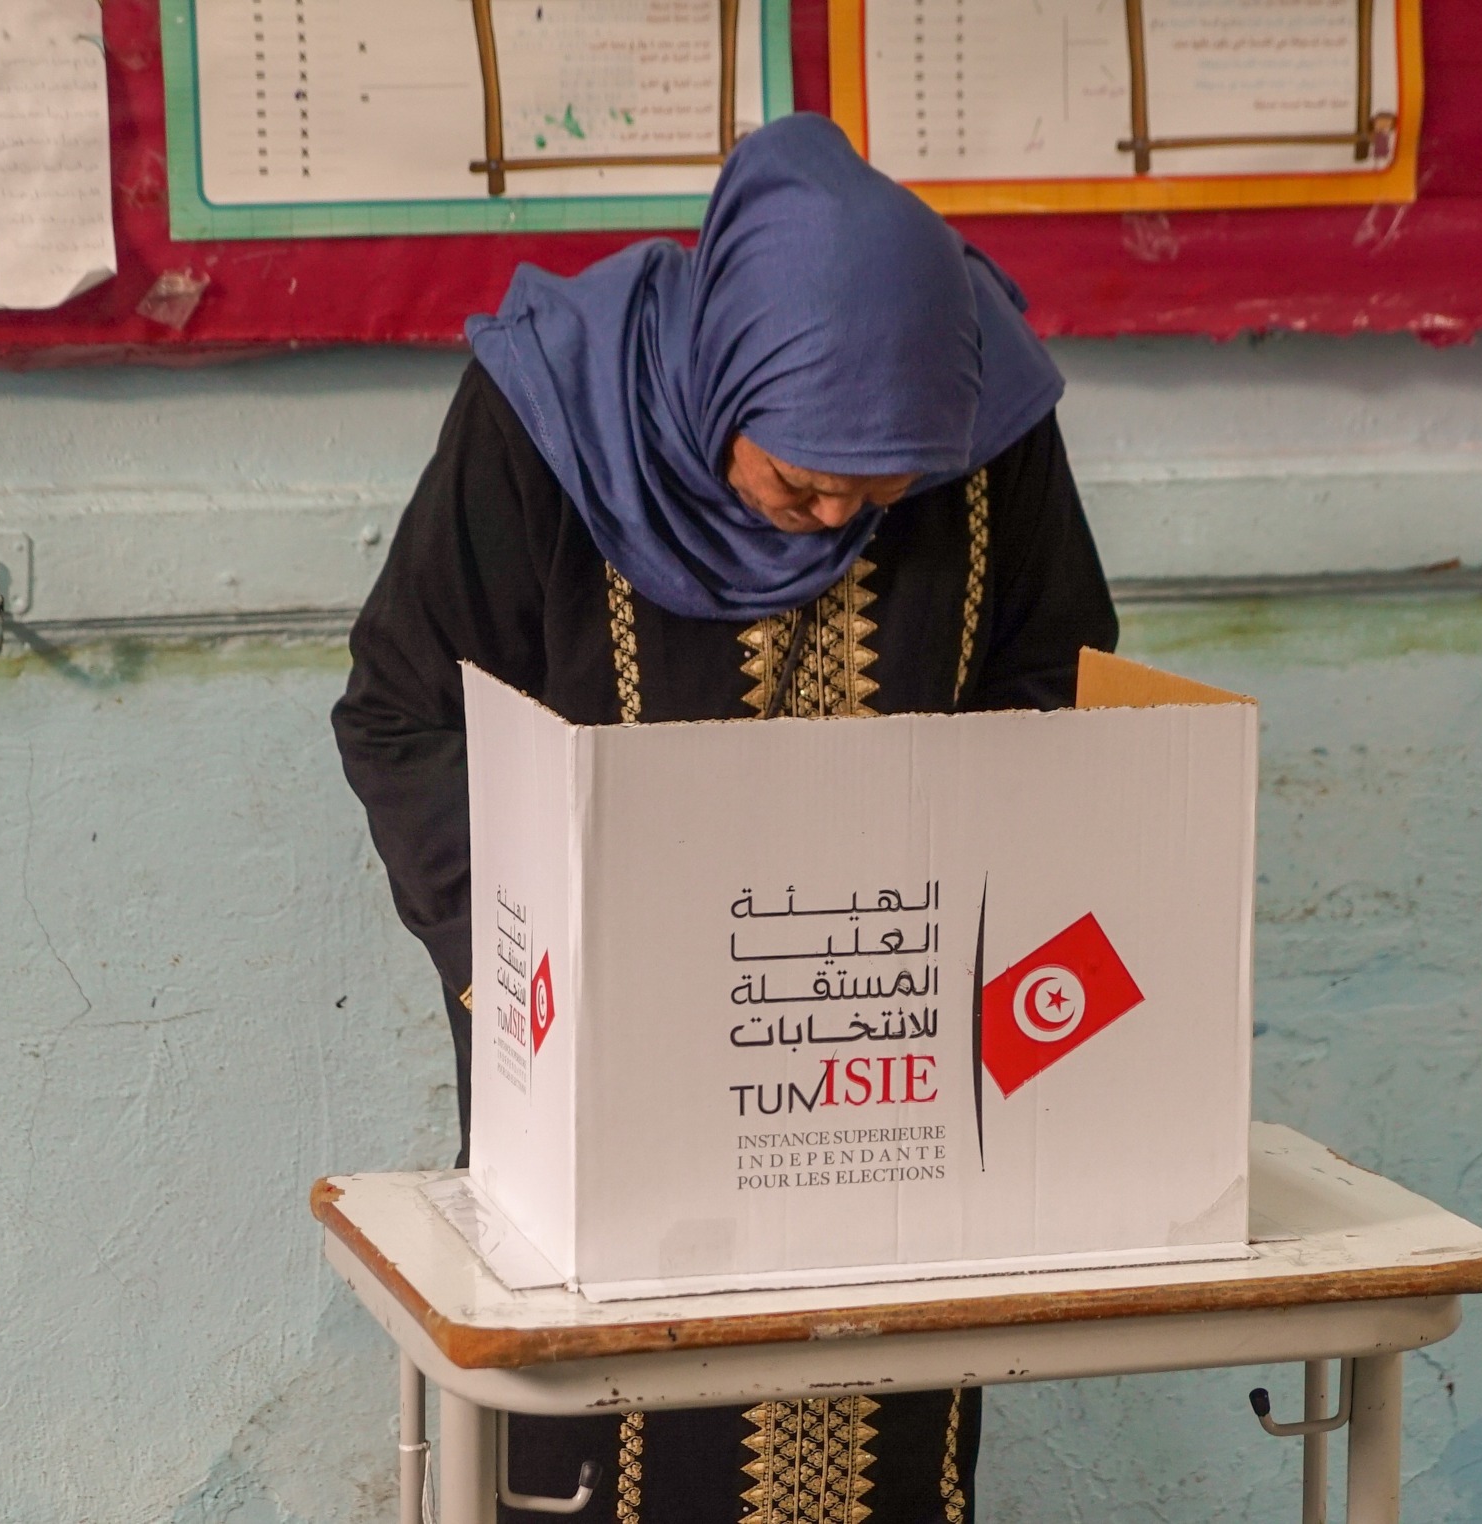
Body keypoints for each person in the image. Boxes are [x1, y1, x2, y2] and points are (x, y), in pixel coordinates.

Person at [332, 112, 1117, 1524]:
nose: (828, 522)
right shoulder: (545, 424)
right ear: (726, 377)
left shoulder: (980, 428)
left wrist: (948, 886)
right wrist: (508, 959)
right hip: (603, 1069)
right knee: (602, 1435)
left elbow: (1057, 685)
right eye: (798, 477)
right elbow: (400, 710)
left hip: (886, 1069)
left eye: (880, 496)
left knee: (889, 1451)